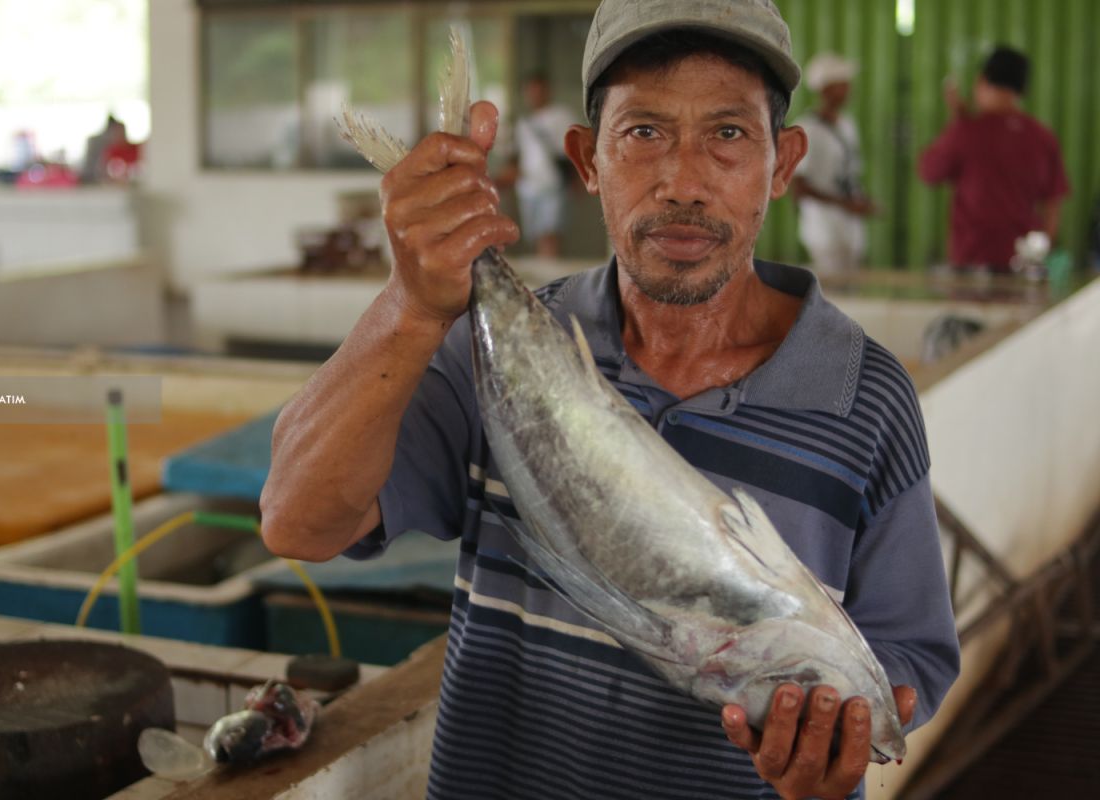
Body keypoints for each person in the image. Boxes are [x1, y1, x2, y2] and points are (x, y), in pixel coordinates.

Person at [262, 1, 960, 798]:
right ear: (588, 160)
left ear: (785, 162)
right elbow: (296, 520)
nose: (683, 182)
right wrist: (412, 305)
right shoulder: (483, 350)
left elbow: (910, 657)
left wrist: (832, 745)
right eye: (644, 133)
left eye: (728, 134)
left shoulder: (865, 397)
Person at [919, 46, 1069, 274]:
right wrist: (1040, 255)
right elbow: (1053, 205)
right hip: (1023, 265)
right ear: (1023, 89)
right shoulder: (1043, 137)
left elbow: (928, 172)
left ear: (981, 82)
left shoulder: (967, 131)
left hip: (971, 264)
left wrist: (957, 121)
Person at [792, 53, 875, 275]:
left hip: (849, 226)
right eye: (842, 84)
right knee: (831, 289)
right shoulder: (807, 129)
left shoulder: (847, 125)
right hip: (823, 227)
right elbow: (799, 188)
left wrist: (857, 202)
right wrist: (845, 204)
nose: (849, 89)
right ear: (824, 89)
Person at [502, 73, 578, 258]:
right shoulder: (522, 123)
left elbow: (574, 148)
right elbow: (516, 153)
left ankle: (550, 271)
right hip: (528, 186)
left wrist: (577, 177)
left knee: (550, 232)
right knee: (536, 233)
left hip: (553, 183)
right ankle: (546, 271)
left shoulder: (561, 115)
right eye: (530, 91)